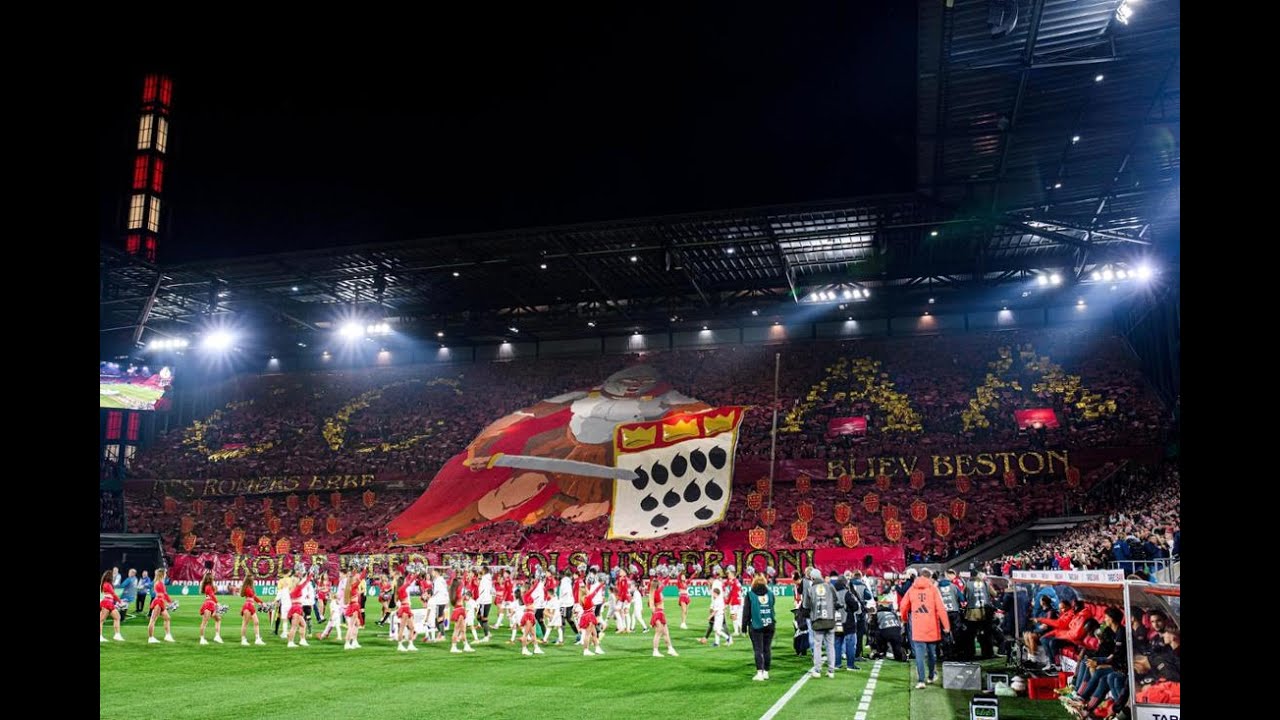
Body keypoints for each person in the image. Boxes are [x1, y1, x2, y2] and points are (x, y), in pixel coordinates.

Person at [900, 568, 951, 690]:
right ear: (929, 577)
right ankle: (931, 675)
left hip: (918, 627)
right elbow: (941, 609)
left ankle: (921, 681)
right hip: (931, 626)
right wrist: (946, 626)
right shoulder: (933, 589)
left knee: (919, 655)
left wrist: (904, 619)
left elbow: (903, 605)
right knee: (932, 654)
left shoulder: (912, 589)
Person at [803, 567, 838, 678]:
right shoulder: (830, 586)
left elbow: (806, 606)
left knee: (817, 646)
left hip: (817, 620)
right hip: (830, 619)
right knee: (830, 645)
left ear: (812, 578)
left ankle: (817, 670)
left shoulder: (810, 589)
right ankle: (831, 671)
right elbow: (836, 600)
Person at [742, 572, 776, 680]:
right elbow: (772, 605)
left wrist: (743, 627)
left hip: (756, 625)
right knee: (767, 649)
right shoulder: (770, 594)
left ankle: (759, 673)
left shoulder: (750, 594)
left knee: (758, 649)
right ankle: (766, 672)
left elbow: (746, 612)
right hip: (770, 624)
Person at [832, 572, 860, 672]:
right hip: (847, 621)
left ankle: (836, 663)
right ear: (845, 583)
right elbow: (855, 606)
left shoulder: (832, 593)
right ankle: (850, 665)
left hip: (836, 621)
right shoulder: (846, 593)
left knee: (837, 643)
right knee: (850, 643)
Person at [146, 568, 175, 643]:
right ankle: (151, 638)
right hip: (159, 602)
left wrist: (169, 602)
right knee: (153, 620)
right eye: (165, 573)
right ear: (162, 574)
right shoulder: (160, 583)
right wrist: (170, 602)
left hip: (160, 602)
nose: (166, 575)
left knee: (167, 618)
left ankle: (167, 636)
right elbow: (164, 594)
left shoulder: (158, 582)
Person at [197, 571, 224, 645]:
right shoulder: (208, 587)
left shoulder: (208, 586)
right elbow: (212, 595)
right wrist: (218, 603)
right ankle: (202, 639)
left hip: (211, 604)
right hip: (209, 604)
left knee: (218, 619)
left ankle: (217, 636)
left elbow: (214, 591)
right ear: (211, 579)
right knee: (205, 622)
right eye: (213, 578)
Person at [239, 578, 266, 646]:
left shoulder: (249, 588)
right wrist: (261, 602)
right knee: (245, 623)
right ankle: (243, 639)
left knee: (256, 622)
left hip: (251, 606)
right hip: (248, 606)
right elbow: (253, 596)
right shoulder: (248, 588)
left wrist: (261, 603)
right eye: (252, 580)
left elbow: (254, 597)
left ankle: (257, 639)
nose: (253, 581)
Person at [100, 571, 125, 642]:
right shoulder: (107, 584)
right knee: (101, 620)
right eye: (112, 576)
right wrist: (120, 602)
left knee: (117, 617)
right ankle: (100, 636)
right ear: (109, 577)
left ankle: (117, 635)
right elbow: (113, 594)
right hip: (107, 603)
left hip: (109, 603)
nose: (113, 577)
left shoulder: (106, 584)